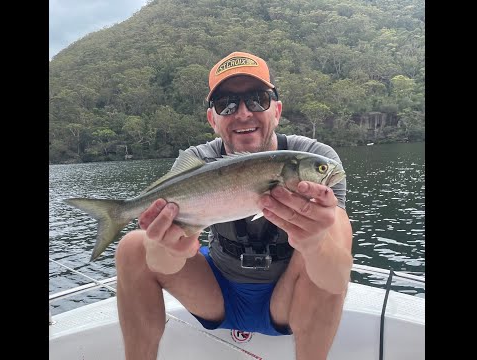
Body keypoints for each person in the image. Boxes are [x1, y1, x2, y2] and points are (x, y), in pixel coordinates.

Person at [115, 51, 353, 360]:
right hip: (216, 293)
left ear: (277, 111)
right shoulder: (197, 162)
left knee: (329, 230)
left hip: (288, 300)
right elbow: (162, 264)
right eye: (225, 103)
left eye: (257, 99)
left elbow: (335, 278)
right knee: (134, 246)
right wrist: (172, 247)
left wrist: (314, 242)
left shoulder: (315, 158)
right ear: (212, 119)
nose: (242, 113)